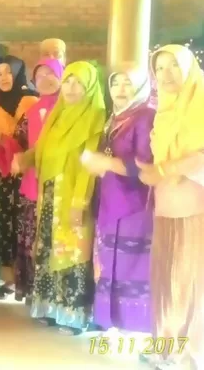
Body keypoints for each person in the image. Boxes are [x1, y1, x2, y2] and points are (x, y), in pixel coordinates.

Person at [14, 61, 106, 335]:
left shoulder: (95, 117)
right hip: (49, 194)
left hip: (74, 194)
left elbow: (89, 167)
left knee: (72, 252)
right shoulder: (57, 114)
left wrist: (80, 201)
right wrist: (25, 159)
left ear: (90, 87)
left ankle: (73, 316)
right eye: (68, 81)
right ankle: (49, 308)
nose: (72, 87)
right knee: (48, 250)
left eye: (79, 82)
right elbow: (42, 149)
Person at [138, 44, 204, 368]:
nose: (166, 74)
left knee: (189, 281)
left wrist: (165, 170)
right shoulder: (163, 112)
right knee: (165, 278)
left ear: (189, 68)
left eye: (174, 65)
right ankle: (164, 347)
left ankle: (188, 354)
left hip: (195, 206)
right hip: (166, 205)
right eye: (159, 68)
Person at [80, 63, 154, 336]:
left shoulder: (145, 116)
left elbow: (145, 165)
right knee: (108, 262)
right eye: (115, 83)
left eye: (127, 83)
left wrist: (106, 162)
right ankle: (110, 320)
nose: (120, 89)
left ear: (141, 86)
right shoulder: (116, 118)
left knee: (129, 267)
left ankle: (133, 324)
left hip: (134, 205)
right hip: (111, 199)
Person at [11, 58, 64, 302]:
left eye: (50, 74)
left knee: (51, 242)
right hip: (32, 183)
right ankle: (34, 295)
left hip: (57, 185)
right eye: (40, 75)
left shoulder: (67, 110)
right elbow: (19, 141)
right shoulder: (32, 110)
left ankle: (51, 297)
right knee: (32, 239)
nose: (45, 80)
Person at [0, 55, 38, 296]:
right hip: (4, 174)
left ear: (18, 73)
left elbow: (33, 138)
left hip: (25, 172)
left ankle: (28, 281)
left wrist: (7, 141)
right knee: (6, 224)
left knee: (24, 226)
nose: (4, 78)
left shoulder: (31, 100)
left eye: (8, 72)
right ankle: (9, 279)